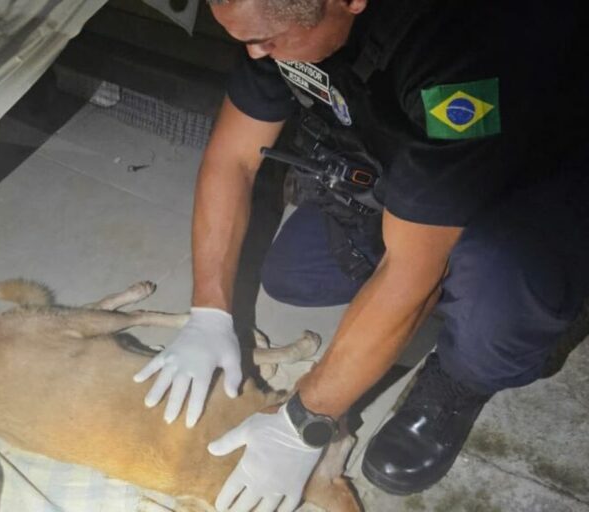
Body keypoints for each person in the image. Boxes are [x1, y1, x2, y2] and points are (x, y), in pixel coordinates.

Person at [134, 0, 588, 509]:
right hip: (409, 166)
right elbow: (233, 159)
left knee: (501, 275)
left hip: (530, 179)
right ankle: (433, 290)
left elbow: (412, 272)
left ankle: (465, 375)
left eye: (270, 38)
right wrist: (209, 310)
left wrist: (305, 419)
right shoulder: (269, 20)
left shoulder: (460, 48)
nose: (255, 52)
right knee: (294, 275)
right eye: (245, 38)